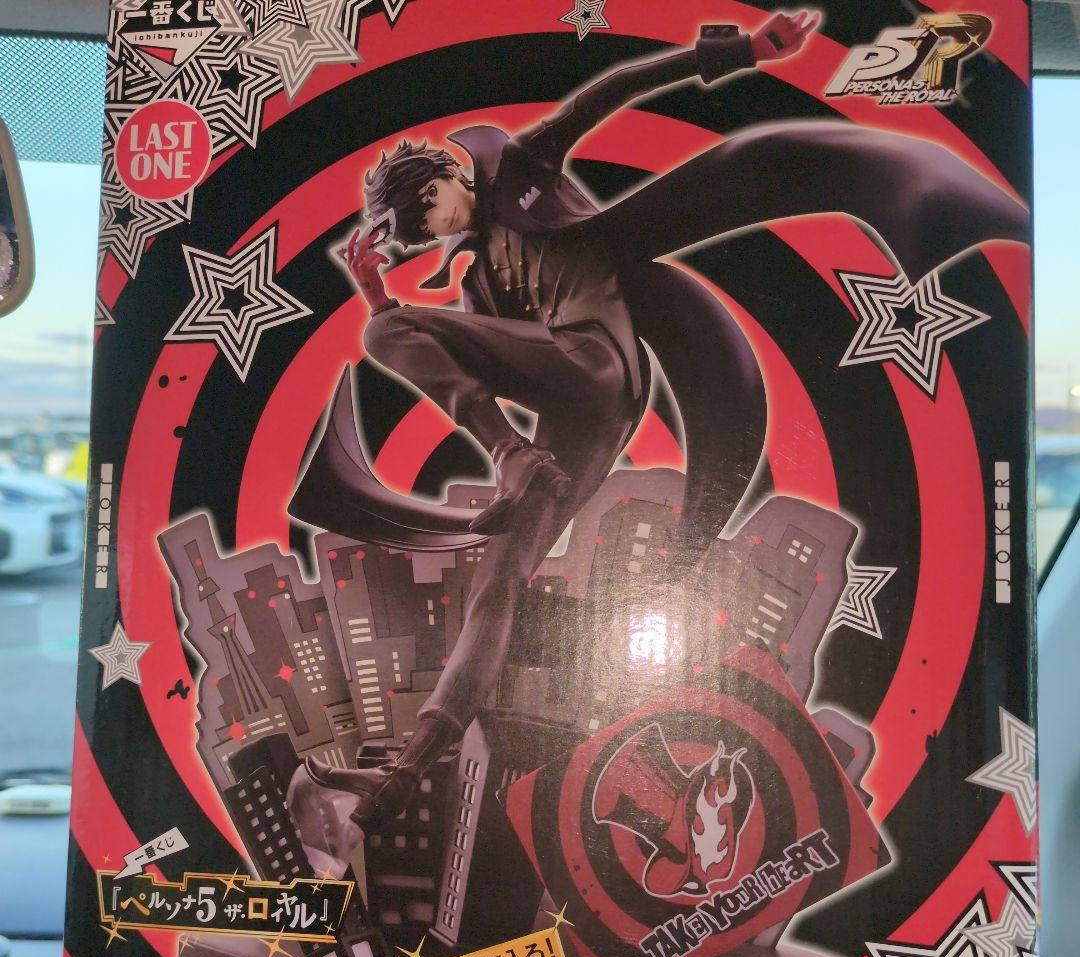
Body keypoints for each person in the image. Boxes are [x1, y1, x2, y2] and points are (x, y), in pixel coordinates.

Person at [286, 9, 1027, 864]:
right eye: (425, 232)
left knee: (390, 332)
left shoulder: (520, 169)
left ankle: (511, 457)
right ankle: (407, 771)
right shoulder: (481, 282)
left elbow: (611, 90)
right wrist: (379, 294)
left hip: (599, 366)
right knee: (497, 583)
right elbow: (473, 358)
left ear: (449, 174)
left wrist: (745, 49)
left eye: (432, 209)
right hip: (577, 422)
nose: (439, 228)